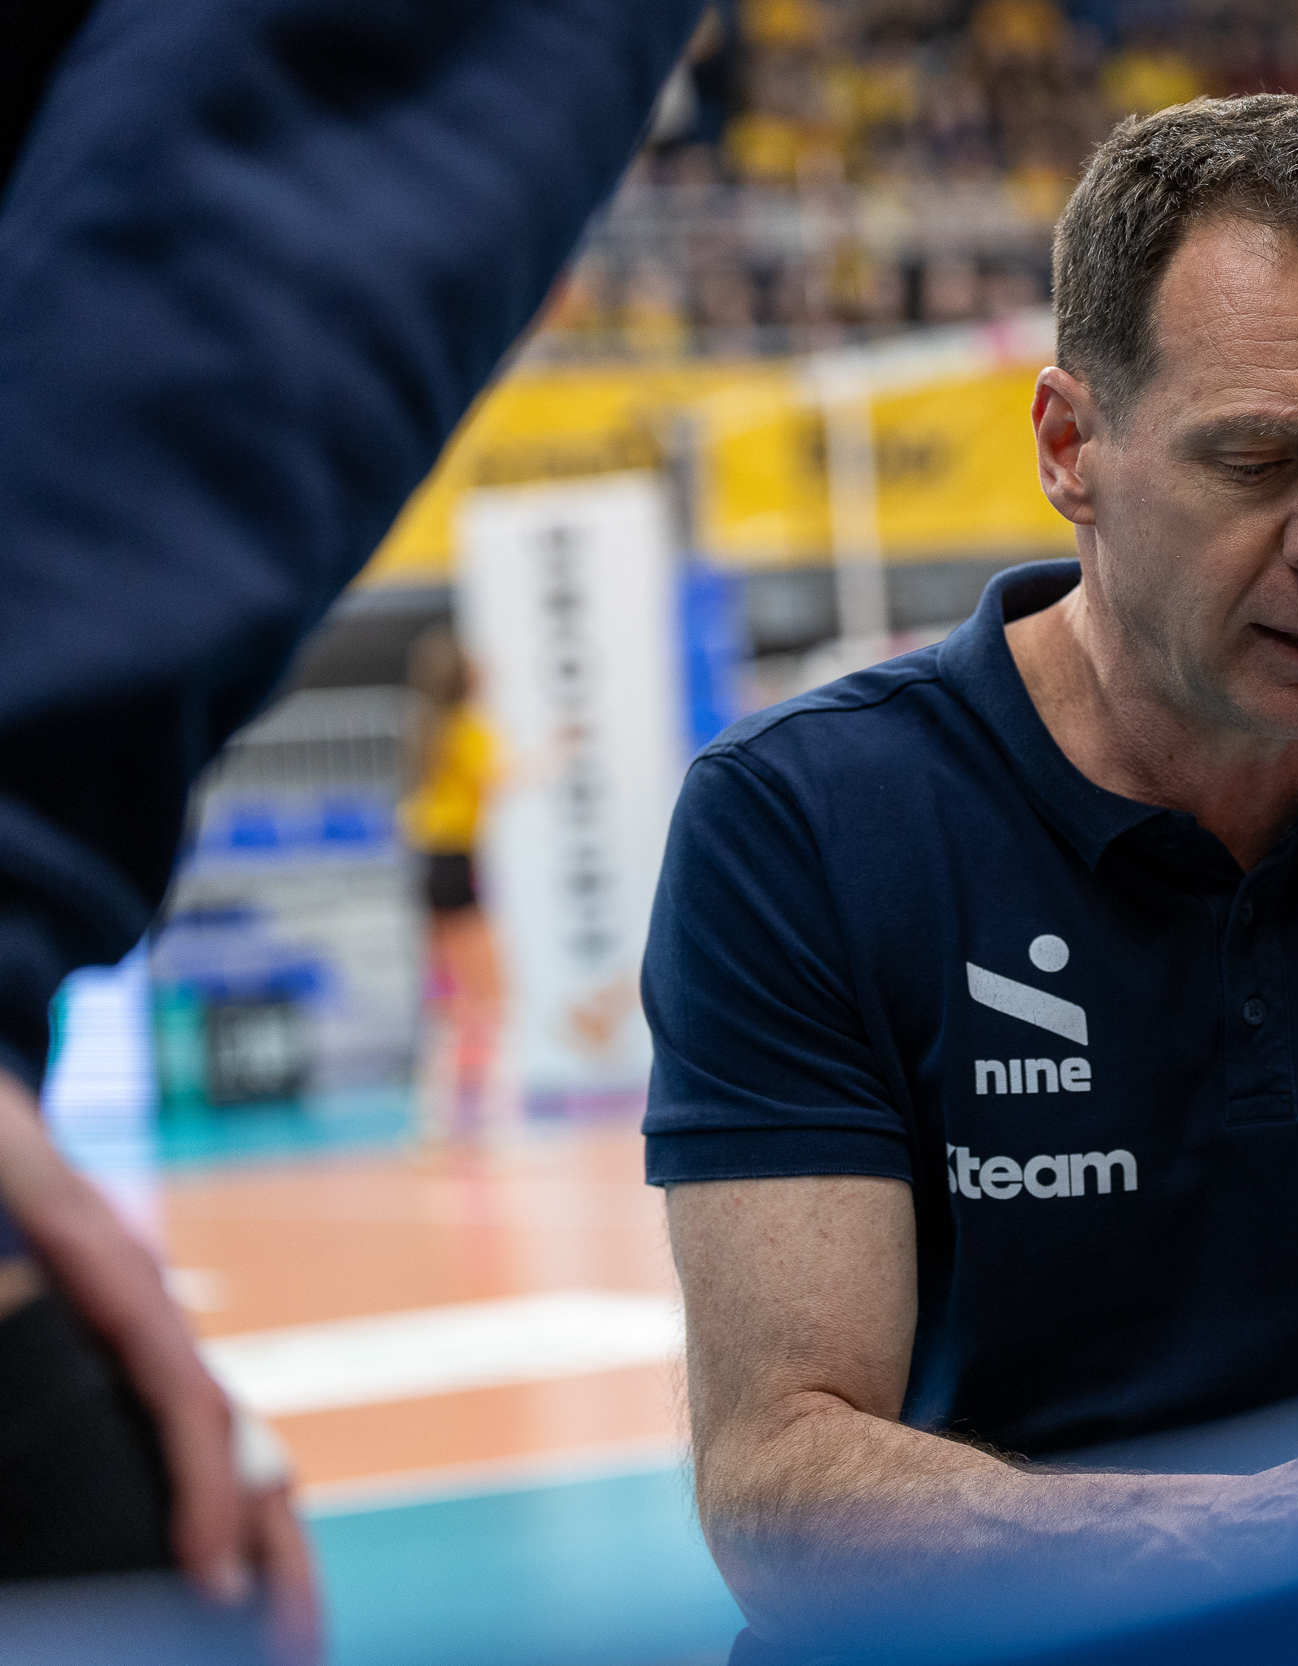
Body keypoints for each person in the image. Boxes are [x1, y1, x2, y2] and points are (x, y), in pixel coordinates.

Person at [644, 94, 1298, 1650]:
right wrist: (1251, 1533)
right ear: (1070, 447)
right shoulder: (804, 824)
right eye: (1257, 458)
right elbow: (777, 1477)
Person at [0, 0, 710, 1656]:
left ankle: (454, 1106)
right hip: (433, 847)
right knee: (470, 987)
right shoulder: (463, 734)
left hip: (420, 842)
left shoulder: (454, 727)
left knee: (467, 986)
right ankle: (455, 1108)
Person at [399, 628, 511, 1151]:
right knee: (490, 998)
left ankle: (435, 1125)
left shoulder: (426, 730)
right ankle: (491, 1124)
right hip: (457, 864)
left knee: (447, 1000)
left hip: (429, 864)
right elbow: (498, 780)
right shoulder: (468, 729)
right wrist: (557, 752)